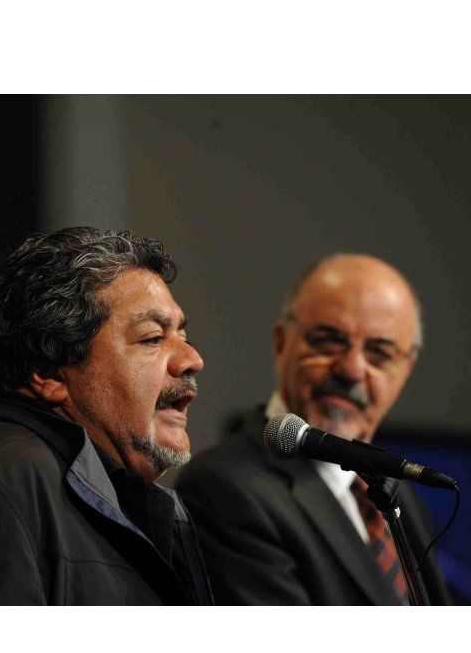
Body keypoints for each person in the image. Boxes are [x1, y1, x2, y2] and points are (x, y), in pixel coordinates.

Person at [0, 227, 213, 605]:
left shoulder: (153, 505)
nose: (192, 359)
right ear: (50, 373)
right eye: (152, 338)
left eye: (183, 337)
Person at [176, 253, 450, 605]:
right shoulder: (223, 488)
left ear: (405, 371)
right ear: (281, 343)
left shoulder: (400, 497)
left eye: (379, 354)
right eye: (328, 340)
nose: (351, 370)